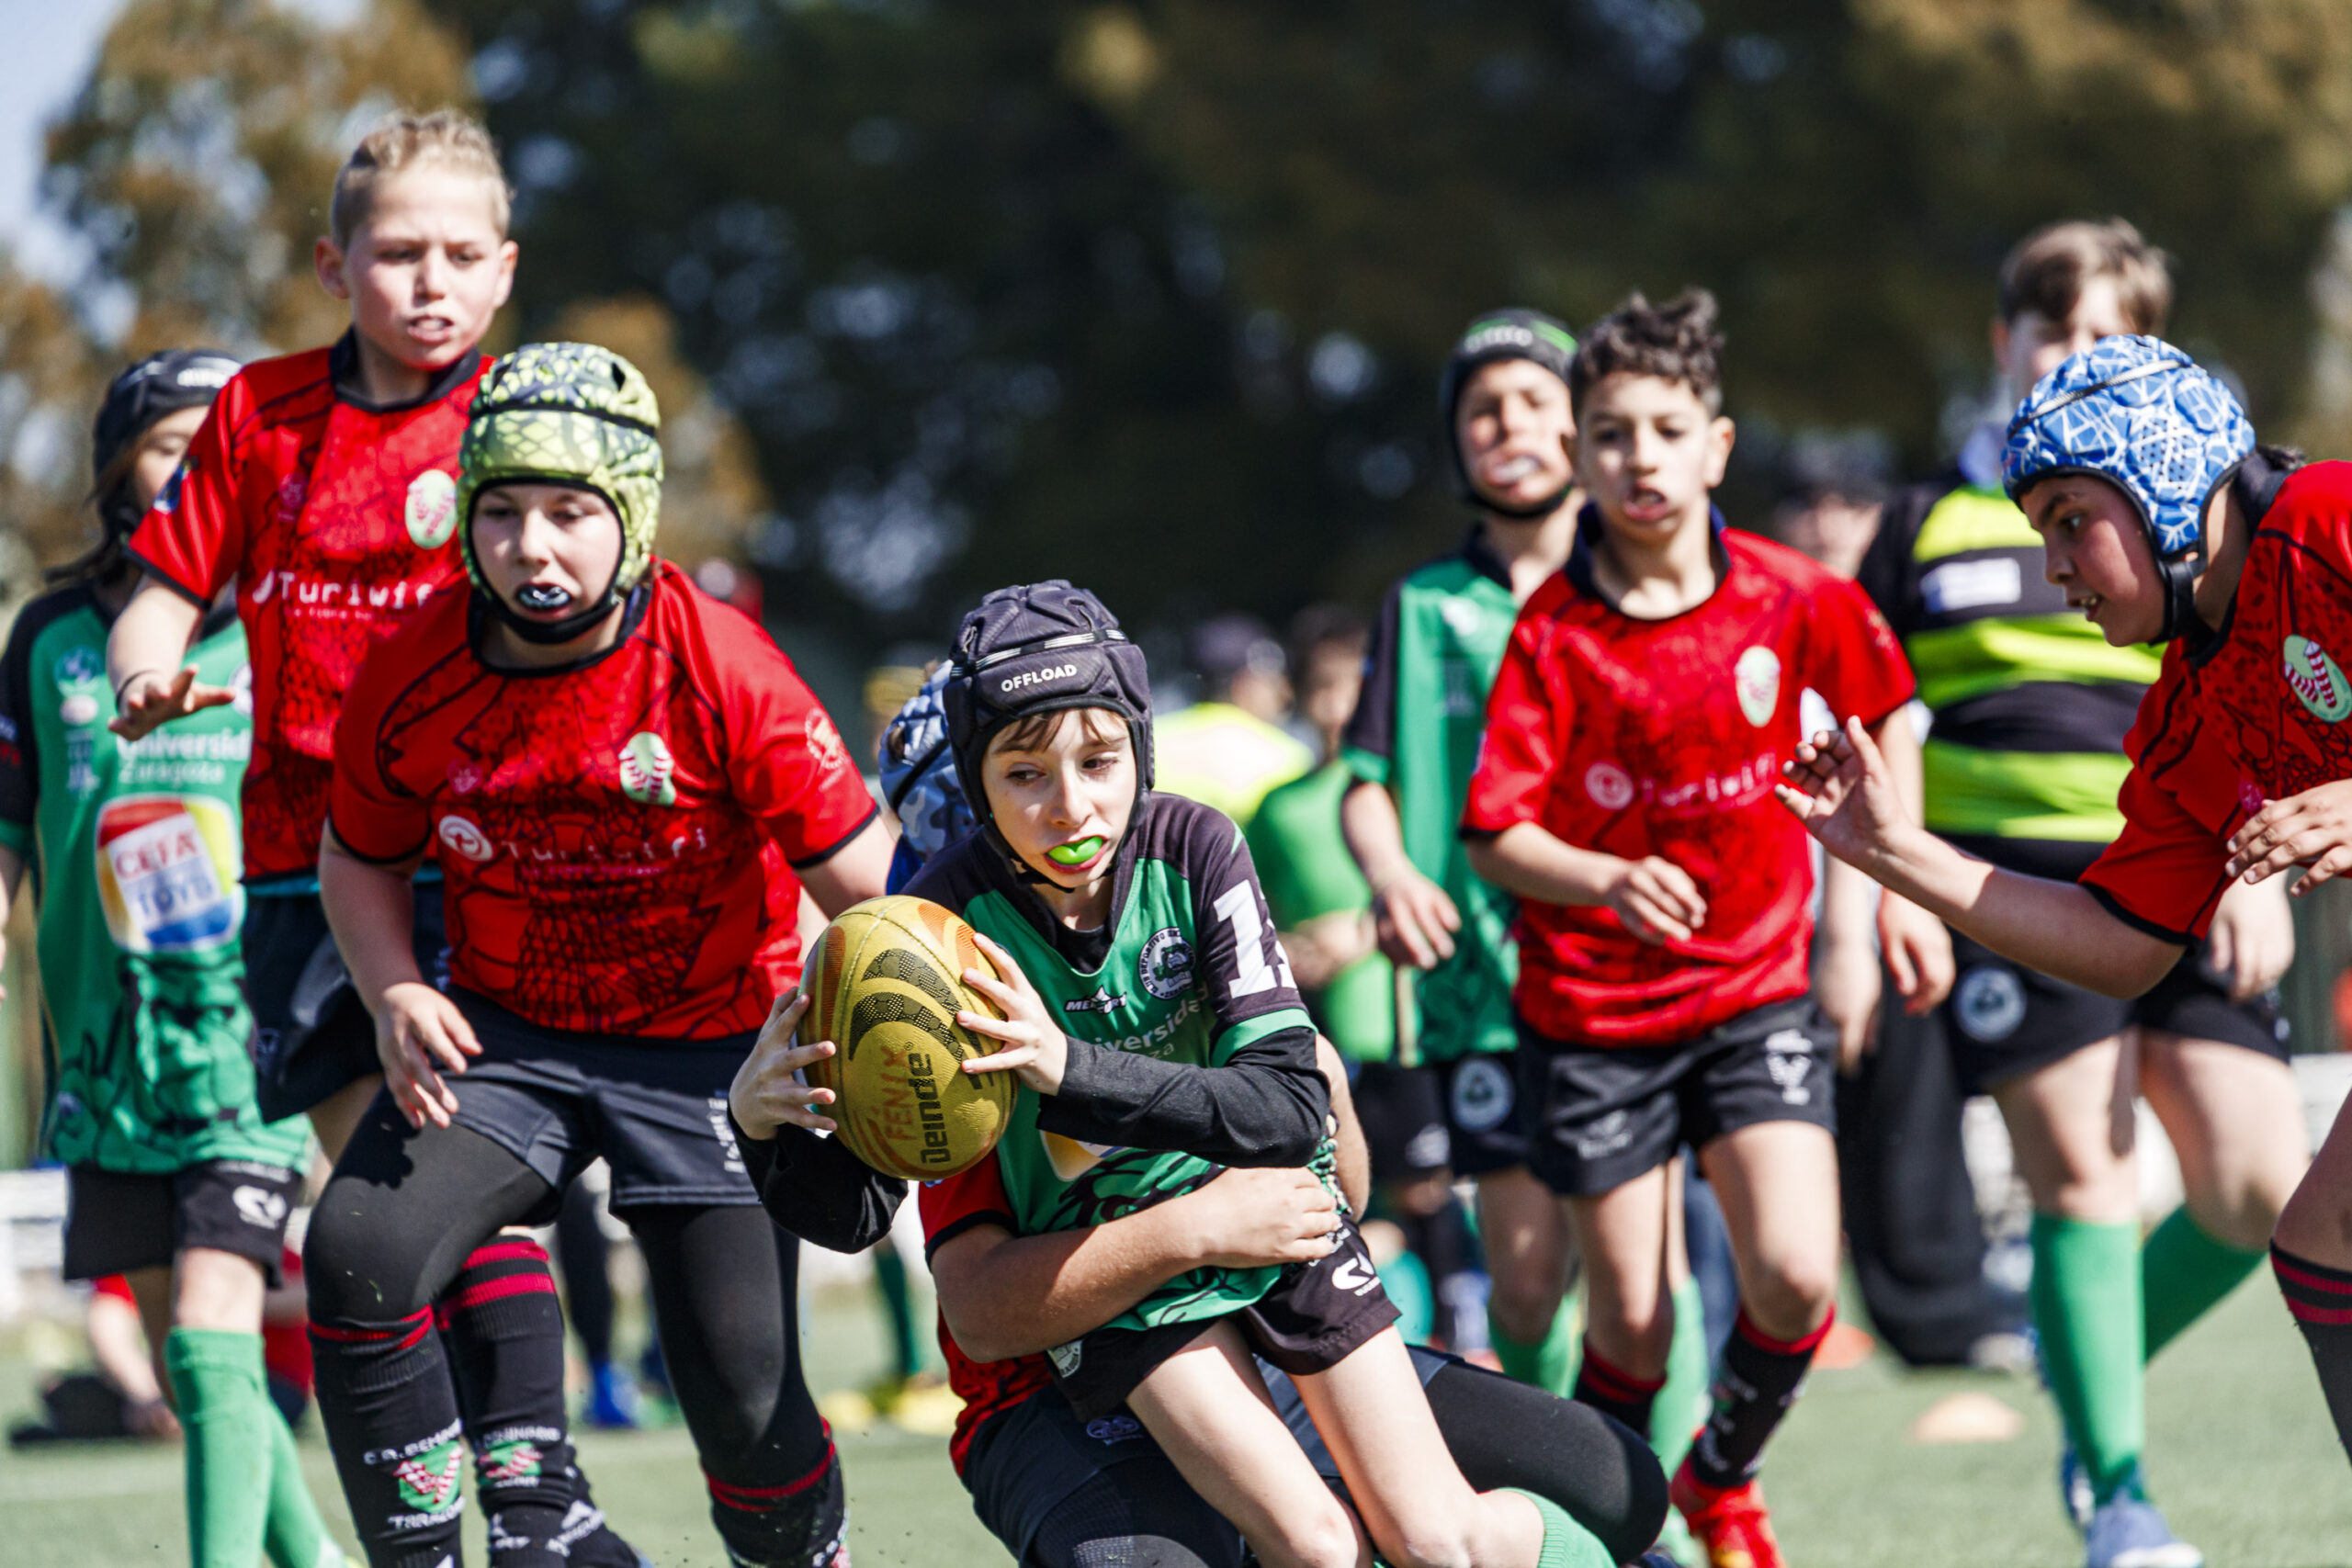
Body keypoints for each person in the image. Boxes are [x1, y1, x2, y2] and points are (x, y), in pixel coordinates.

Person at [731, 580, 1666, 1568]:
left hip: (1269, 1272)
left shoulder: (1185, 852)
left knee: (1576, 1495)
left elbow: (1323, 1178)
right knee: (1255, 1552)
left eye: (1097, 763)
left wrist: (1312, 1096)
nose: (1067, 810)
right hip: (1065, 1370)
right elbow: (968, 1297)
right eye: (1012, 781)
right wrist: (765, 1129)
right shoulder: (932, 961)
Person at [103, 111, 639, 1568]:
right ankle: (489, 1507)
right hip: (298, 875)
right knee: (397, 1209)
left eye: (463, 254)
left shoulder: (521, 430)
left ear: (507, 269)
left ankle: (531, 1500)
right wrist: (148, 661)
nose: (430, 281)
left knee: (466, 1177)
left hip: (477, 868)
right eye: (398, 252)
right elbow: (161, 586)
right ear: (336, 263)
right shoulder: (261, 419)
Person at [302, 342, 894, 1568]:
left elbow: (873, 887)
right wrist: (393, 985)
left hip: (713, 1060)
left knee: (745, 1411)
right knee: (357, 1251)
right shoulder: (413, 673)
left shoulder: (722, 662)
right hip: (508, 1039)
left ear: (631, 515)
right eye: (503, 511)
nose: (534, 546)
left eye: (572, 512)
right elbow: (355, 854)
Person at [1780, 333, 2341, 1563]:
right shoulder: (2190, 712)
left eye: (2072, 519)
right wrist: (1888, 850)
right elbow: (2121, 940)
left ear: (2166, 471)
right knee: (2319, 1233)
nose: (2053, 566)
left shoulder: (2329, 518)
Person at [1461, 290, 1948, 1568]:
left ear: (1716, 446)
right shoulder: (1554, 633)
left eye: (1665, 430)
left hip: (1754, 991)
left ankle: (1719, 1473)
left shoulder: (1797, 597)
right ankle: (1600, 1534)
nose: (1639, 458)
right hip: (1594, 1017)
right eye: (1610, 433)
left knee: (1794, 1272)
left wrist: (1873, 905)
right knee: (1630, 1321)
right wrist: (1609, 876)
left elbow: (1889, 708)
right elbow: (1494, 832)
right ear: (1580, 452)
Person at [0, 349, 345, 1567]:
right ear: (117, 466)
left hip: (244, 1041)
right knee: (185, 1358)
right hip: (102, 1053)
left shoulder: (281, 626)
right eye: (169, 444)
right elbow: (9, 817)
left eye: (221, 447)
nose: (198, 468)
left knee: (213, 1327)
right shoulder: (46, 639)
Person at [1250, 607, 1485, 1352]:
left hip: (1410, 1021)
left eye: (1351, 688)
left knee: (1427, 1185)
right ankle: (1385, 1341)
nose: (1335, 706)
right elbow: (1250, 923)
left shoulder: (1402, 797)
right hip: (1329, 1033)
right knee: (1354, 1196)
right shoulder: (1277, 809)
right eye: (1320, 687)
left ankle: (1464, 1330)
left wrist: (1360, 932)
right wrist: (1294, 949)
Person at [1154, 613, 1315, 829]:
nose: (1285, 693)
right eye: (1272, 680)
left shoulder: (1151, 743)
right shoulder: (1288, 755)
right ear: (1243, 684)